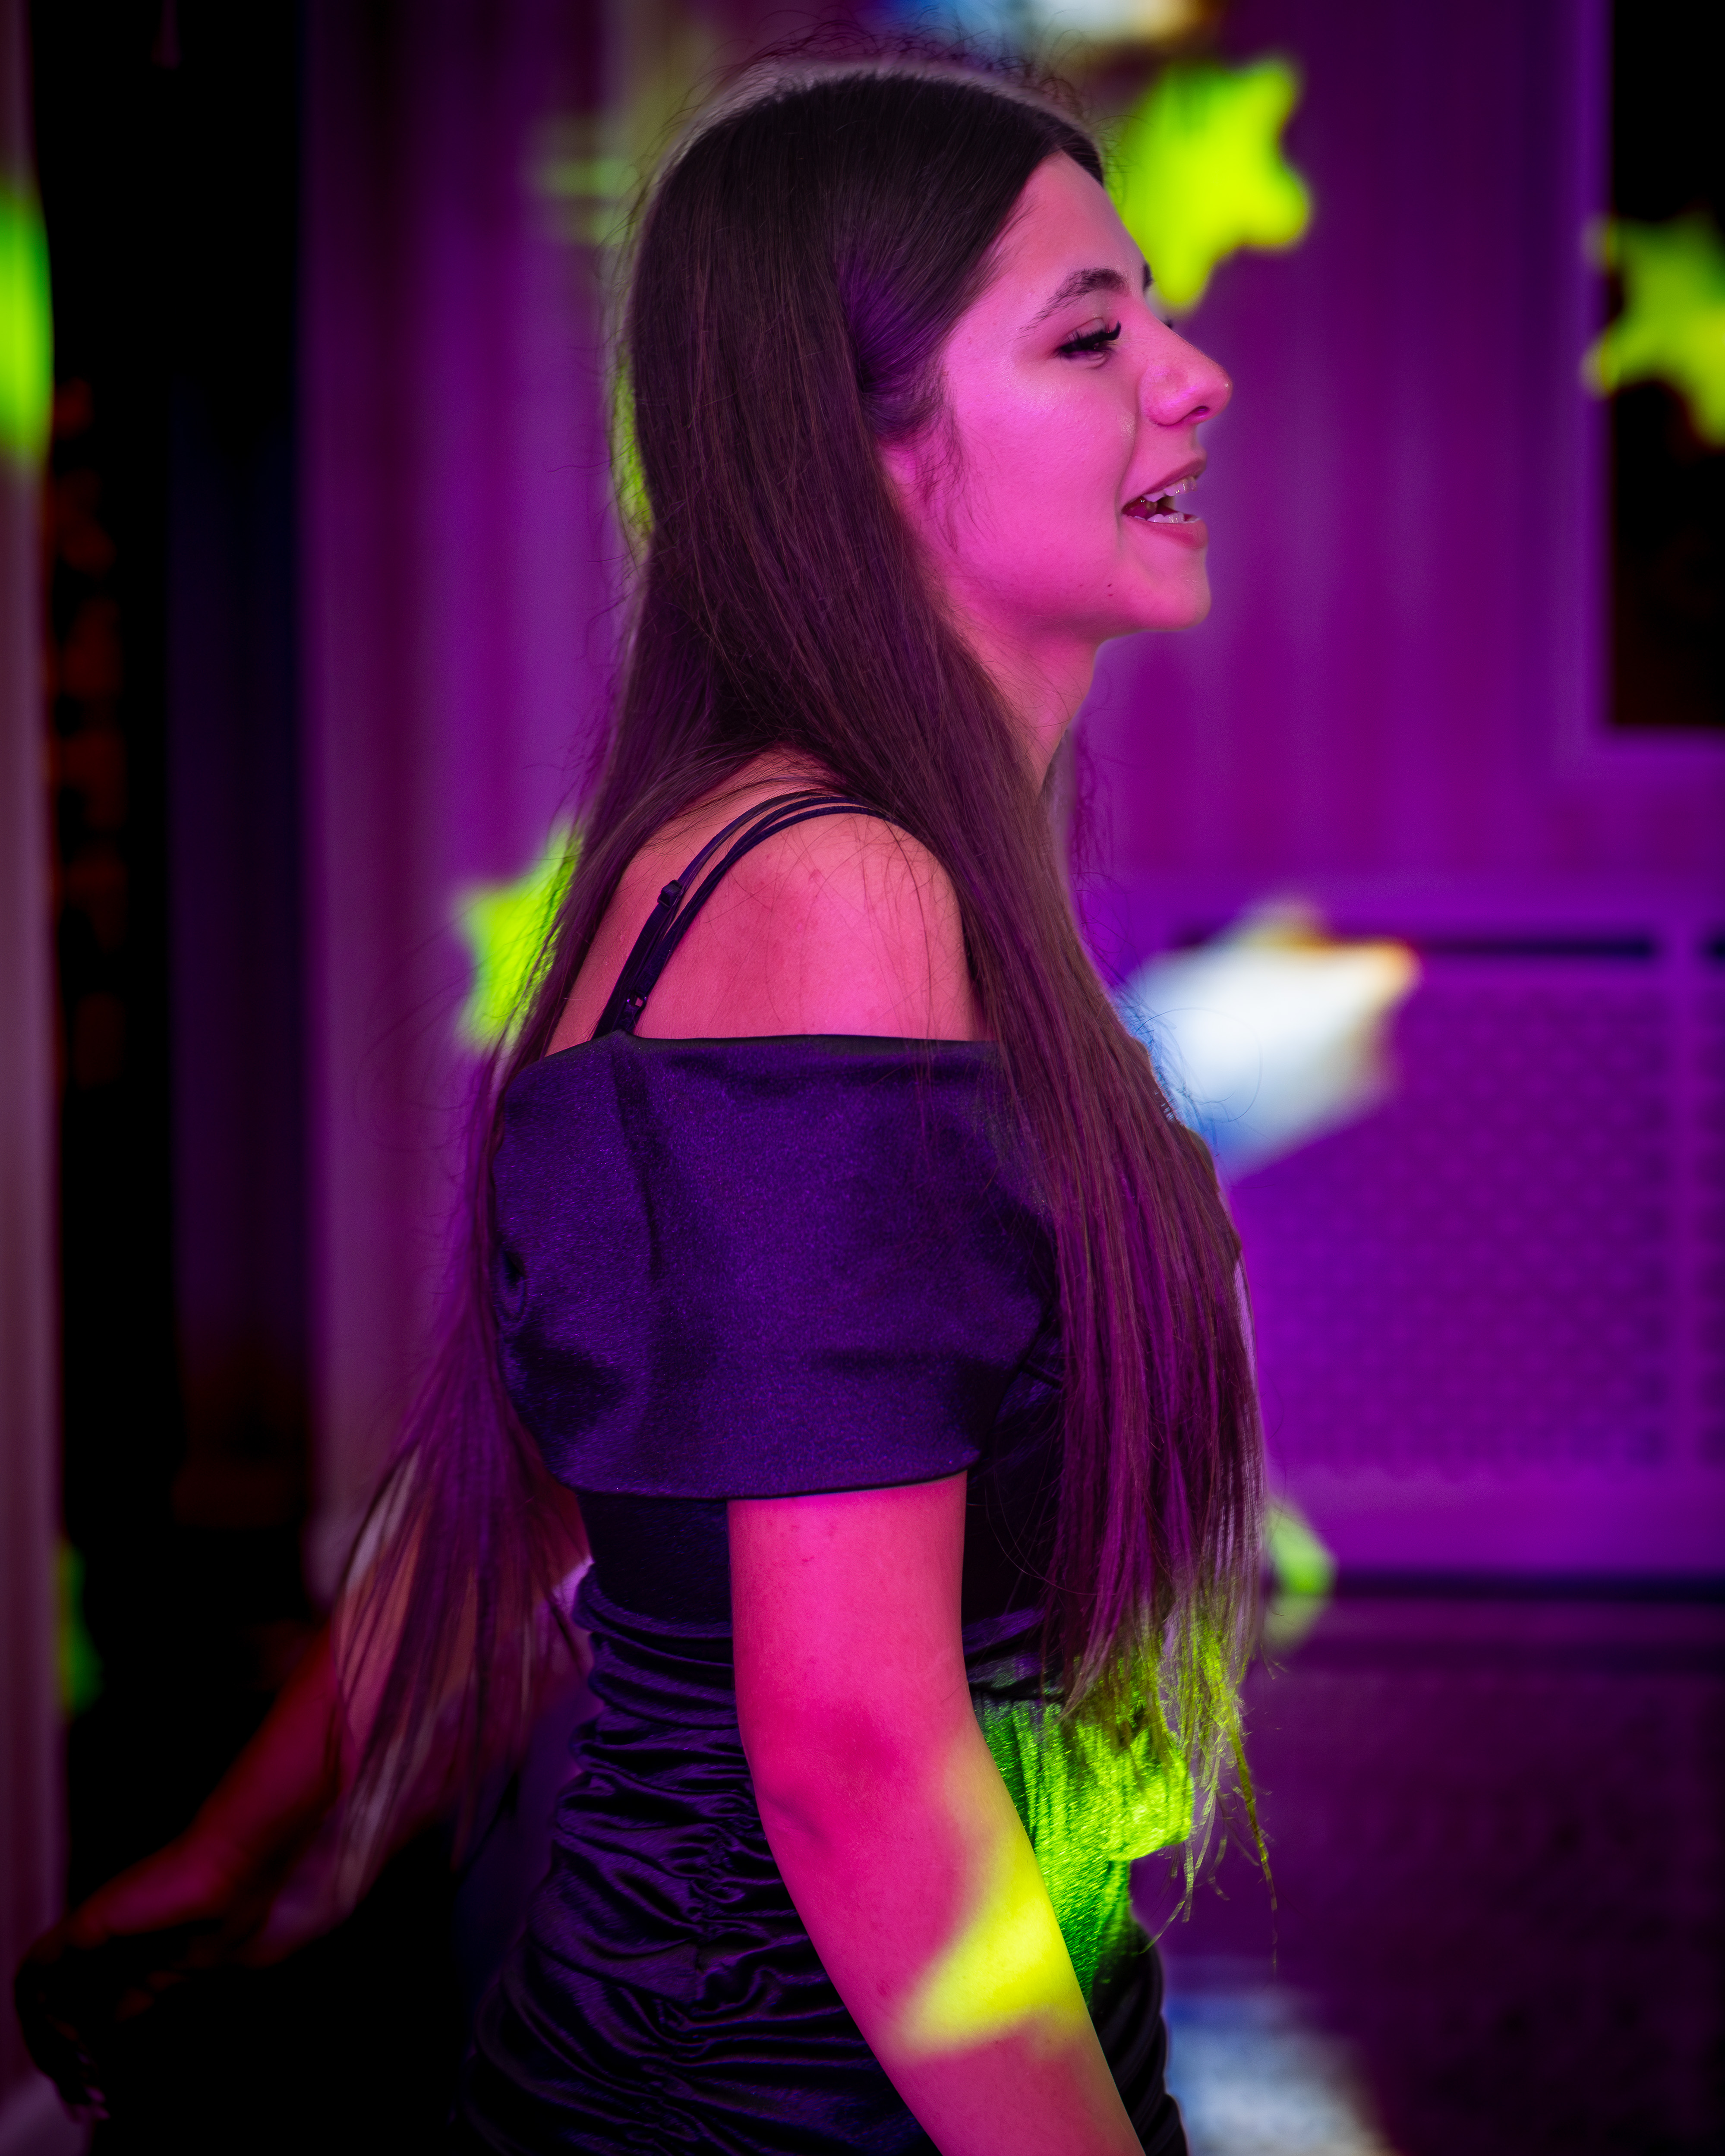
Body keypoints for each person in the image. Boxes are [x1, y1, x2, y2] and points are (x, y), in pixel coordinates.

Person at [20, 49, 1263, 2155]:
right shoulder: (837, 894)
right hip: (788, 2106)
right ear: (853, 446)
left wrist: (246, 1854)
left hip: (953, 2030)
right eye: (1090, 334)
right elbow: (857, 1761)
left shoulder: (822, 867)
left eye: (1152, 308)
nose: (1195, 374)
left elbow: (561, 1479)